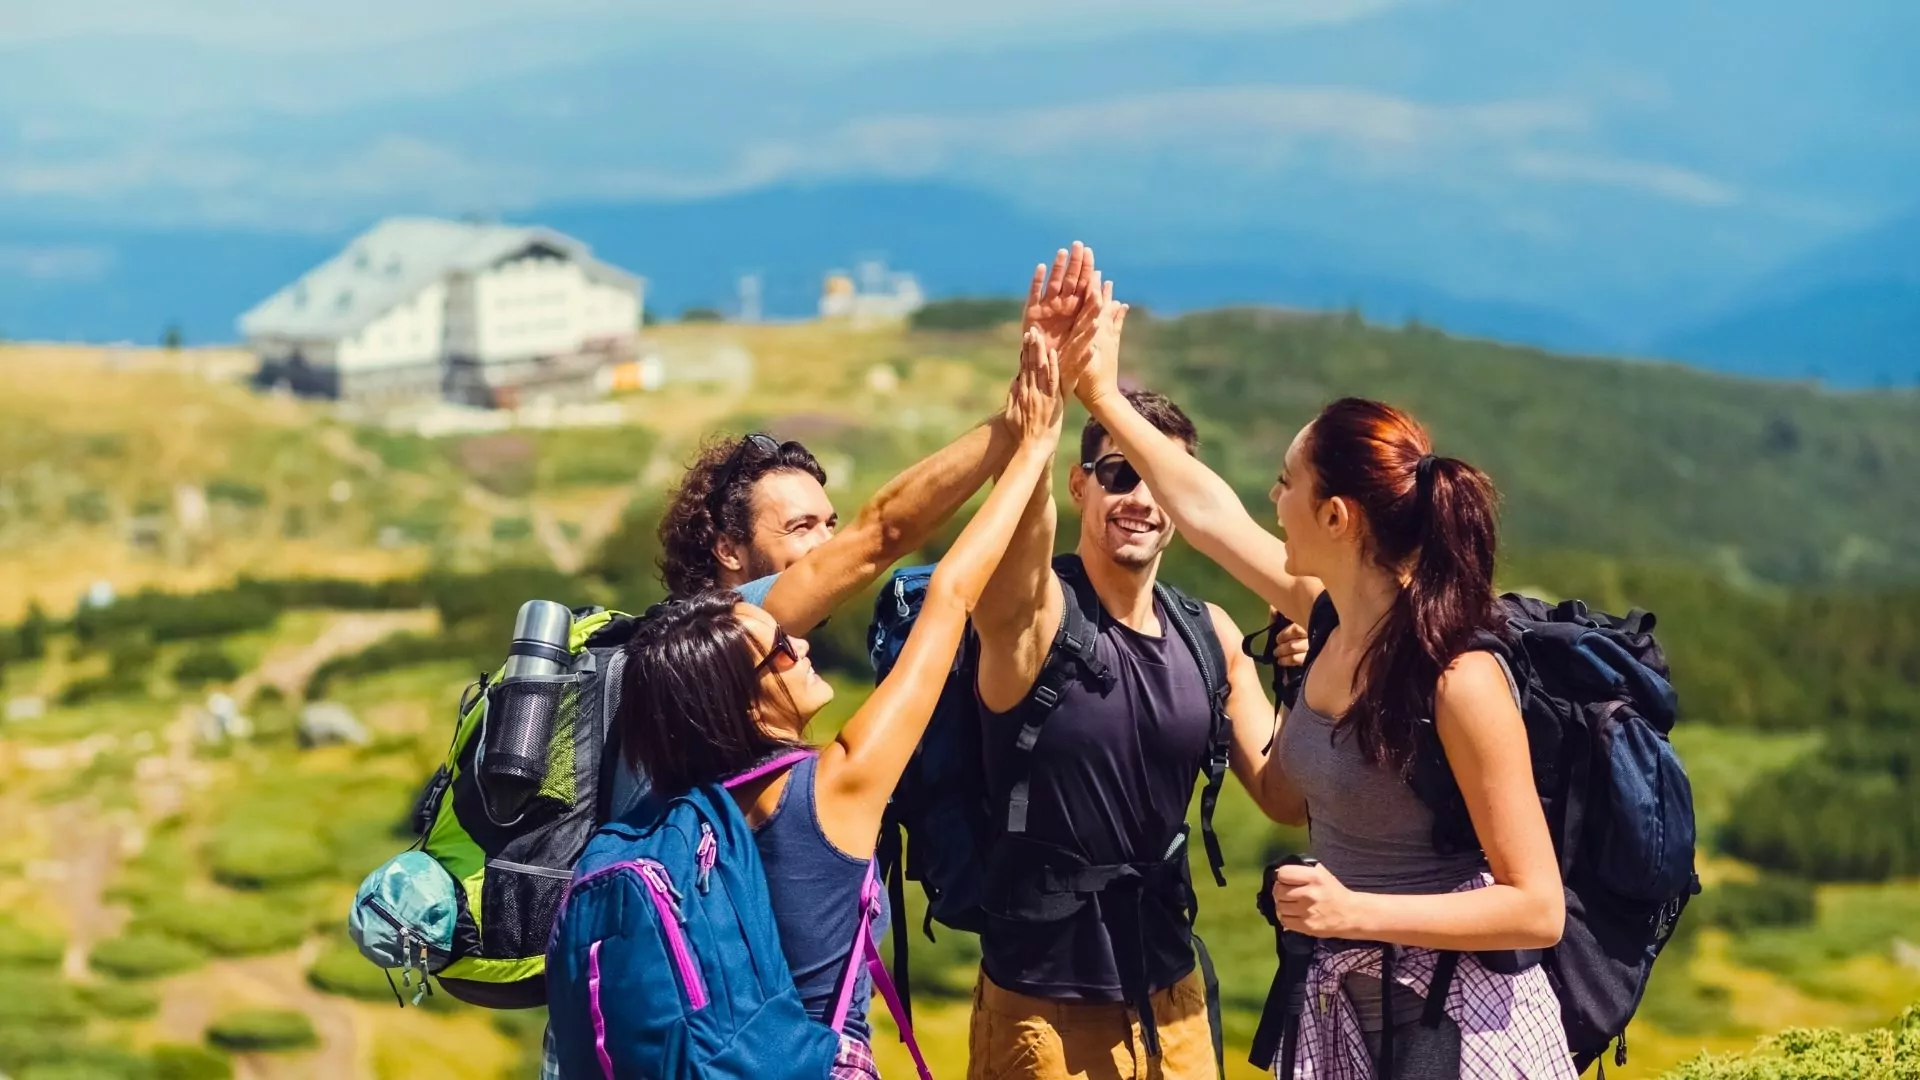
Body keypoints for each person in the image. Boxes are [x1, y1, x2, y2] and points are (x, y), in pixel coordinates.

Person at [1064, 292, 1571, 1079]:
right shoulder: (1333, 620)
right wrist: (1098, 394)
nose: (1271, 500)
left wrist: (1351, 912)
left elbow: (1538, 909)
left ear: (1335, 516)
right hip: (1350, 1019)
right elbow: (1207, 513)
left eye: (1285, 483)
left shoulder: (1456, 677)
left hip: (1467, 1030)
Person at [613, 327, 1068, 1078]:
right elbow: (914, 564)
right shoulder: (826, 784)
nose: (794, 644)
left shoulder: (667, 715)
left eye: (828, 522)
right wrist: (1030, 436)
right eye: (801, 529)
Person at [965, 276, 1303, 1080]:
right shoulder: (1035, 614)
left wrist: (1306, 682)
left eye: (1159, 482)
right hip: (1036, 997)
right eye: (1117, 475)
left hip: (1170, 985)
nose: (1141, 499)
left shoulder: (1211, 634)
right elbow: (1019, 541)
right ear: (1079, 486)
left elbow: (1286, 797)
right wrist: (1042, 407)